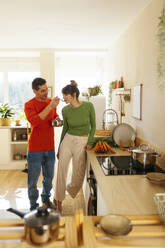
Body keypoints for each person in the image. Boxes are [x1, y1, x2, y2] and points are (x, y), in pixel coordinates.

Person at [53, 80, 96, 213]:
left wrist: (89, 142)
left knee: (78, 173)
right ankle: (58, 200)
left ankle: (67, 189)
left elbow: (93, 126)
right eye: (63, 95)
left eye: (65, 95)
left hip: (82, 141)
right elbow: (65, 128)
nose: (63, 97)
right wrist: (60, 146)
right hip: (68, 140)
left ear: (74, 95)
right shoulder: (65, 110)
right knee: (61, 169)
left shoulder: (88, 106)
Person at [24, 77, 60, 210]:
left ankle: (46, 199)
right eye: (42, 91)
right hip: (35, 149)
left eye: (46, 90)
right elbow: (36, 122)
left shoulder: (50, 102)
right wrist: (50, 106)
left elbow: (54, 115)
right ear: (35, 91)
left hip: (50, 147)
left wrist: (57, 119)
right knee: (33, 181)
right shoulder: (29, 105)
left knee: (49, 178)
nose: (46, 93)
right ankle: (33, 205)